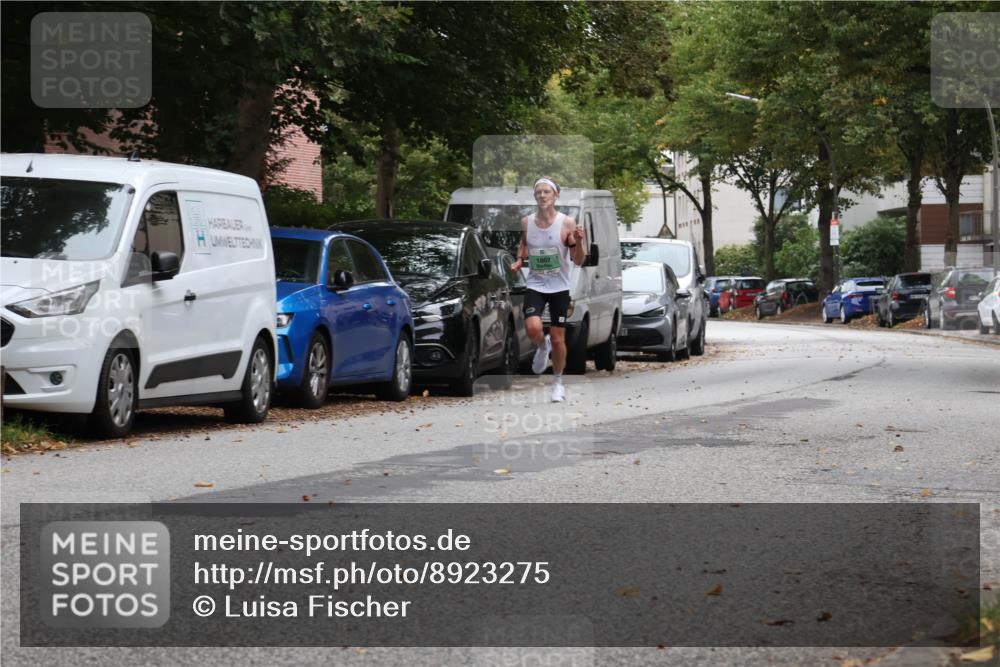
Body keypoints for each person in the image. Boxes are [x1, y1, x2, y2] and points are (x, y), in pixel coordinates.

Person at [510, 177, 586, 402]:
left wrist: (580, 242)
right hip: (535, 284)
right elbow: (525, 244)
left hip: (560, 287)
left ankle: (558, 383)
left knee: (559, 339)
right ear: (535, 196)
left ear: (556, 196)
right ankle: (543, 347)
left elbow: (578, 260)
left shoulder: (567, 223)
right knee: (533, 329)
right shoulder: (527, 222)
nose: (542, 195)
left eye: (547, 192)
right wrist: (518, 260)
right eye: (539, 192)